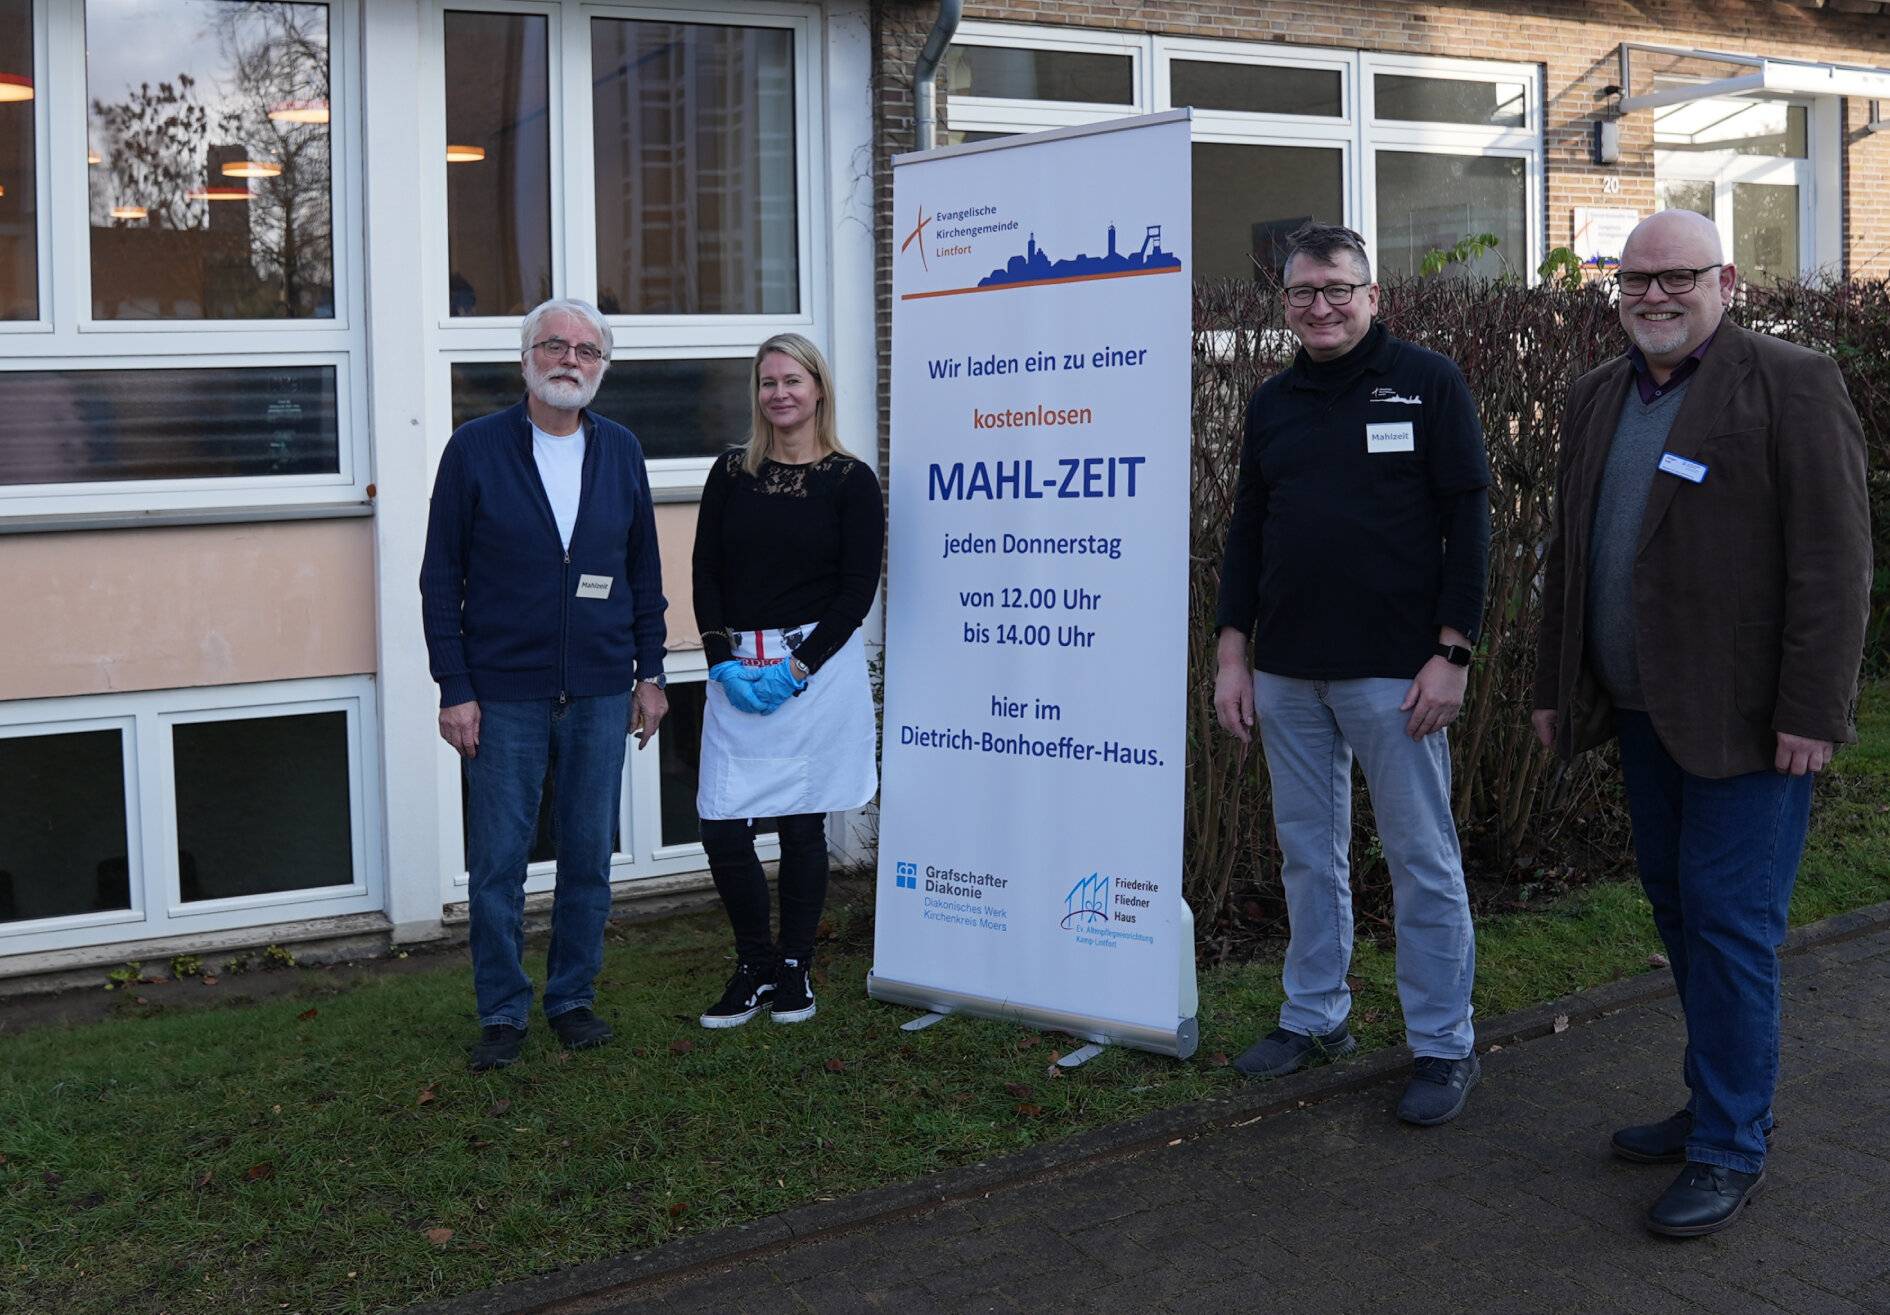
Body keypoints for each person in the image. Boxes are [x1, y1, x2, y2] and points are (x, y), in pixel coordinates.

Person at [1532, 209, 1871, 1237]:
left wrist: (1812, 710)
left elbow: (1833, 563)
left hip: (1750, 726)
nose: (1654, 296)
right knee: (1681, 913)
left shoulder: (1792, 382)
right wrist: (1555, 685)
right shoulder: (1598, 394)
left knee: (1729, 926)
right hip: (1644, 714)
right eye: (1635, 280)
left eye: (1676, 276)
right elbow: (1572, 549)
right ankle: (1715, 1097)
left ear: (1725, 282)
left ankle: (1731, 1144)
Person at [1213, 222, 1491, 1126]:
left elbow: (1470, 521)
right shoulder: (1273, 400)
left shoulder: (1427, 381)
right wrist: (1232, 652)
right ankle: (1315, 1016)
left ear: (1373, 296)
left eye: (1339, 289)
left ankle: (1444, 1044)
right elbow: (1247, 531)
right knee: (1307, 853)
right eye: (1303, 292)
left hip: (1398, 674)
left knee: (1422, 860)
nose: (1321, 307)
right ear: (1285, 303)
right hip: (1289, 671)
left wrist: (1453, 652)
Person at [420, 297, 669, 1072]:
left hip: (600, 687)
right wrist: (454, 686)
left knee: (588, 854)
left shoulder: (621, 449)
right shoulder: (475, 448)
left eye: (586, 350)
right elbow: (440, 577)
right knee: (499, 863)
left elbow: (644, 571)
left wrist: (651, 671)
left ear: (602, 367)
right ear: (526, 358)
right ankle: (502, 1010)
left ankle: (571, 998)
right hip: (503, 693)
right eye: (554, 345)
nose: (570, 360)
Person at [691, 332, 884, 1028]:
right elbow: (705, 571)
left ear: (818, 389)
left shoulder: (851, 481)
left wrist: (795, 671)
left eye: (792, 380)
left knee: (803, 824)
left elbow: (856, 590)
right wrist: (720, 660)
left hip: (814, 670)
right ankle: (753, 964)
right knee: (722, 824)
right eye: (768, 382)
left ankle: (795, 966)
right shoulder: (730, 472)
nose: (779, 393)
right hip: (737, 668)